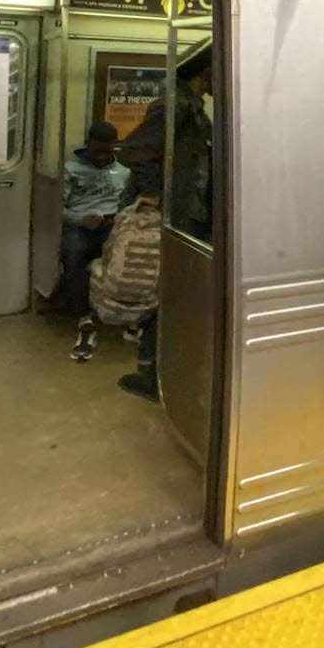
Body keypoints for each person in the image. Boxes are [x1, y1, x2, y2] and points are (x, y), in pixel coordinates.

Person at [111, 47, 214, 400]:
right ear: (206, 73)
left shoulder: (194, 108)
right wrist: (155, 193)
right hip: (176, 216)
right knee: (166, 295)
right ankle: (153, 374)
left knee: (176, 296)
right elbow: (133, 150)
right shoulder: (176, 106)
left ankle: (166, 371)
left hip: (191, 214)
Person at [52, 121, 131, 360]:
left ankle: (125, 313)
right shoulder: (71, 169)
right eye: (97, 151)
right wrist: (80, 219)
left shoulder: (123, 173)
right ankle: (82, 314)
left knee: (130, 254)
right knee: (74, 251)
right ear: (88, 145)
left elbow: (126, 205)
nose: (102, 157)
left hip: (111, 224)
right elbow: (56, 207)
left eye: (107, 152)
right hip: (80, 223)